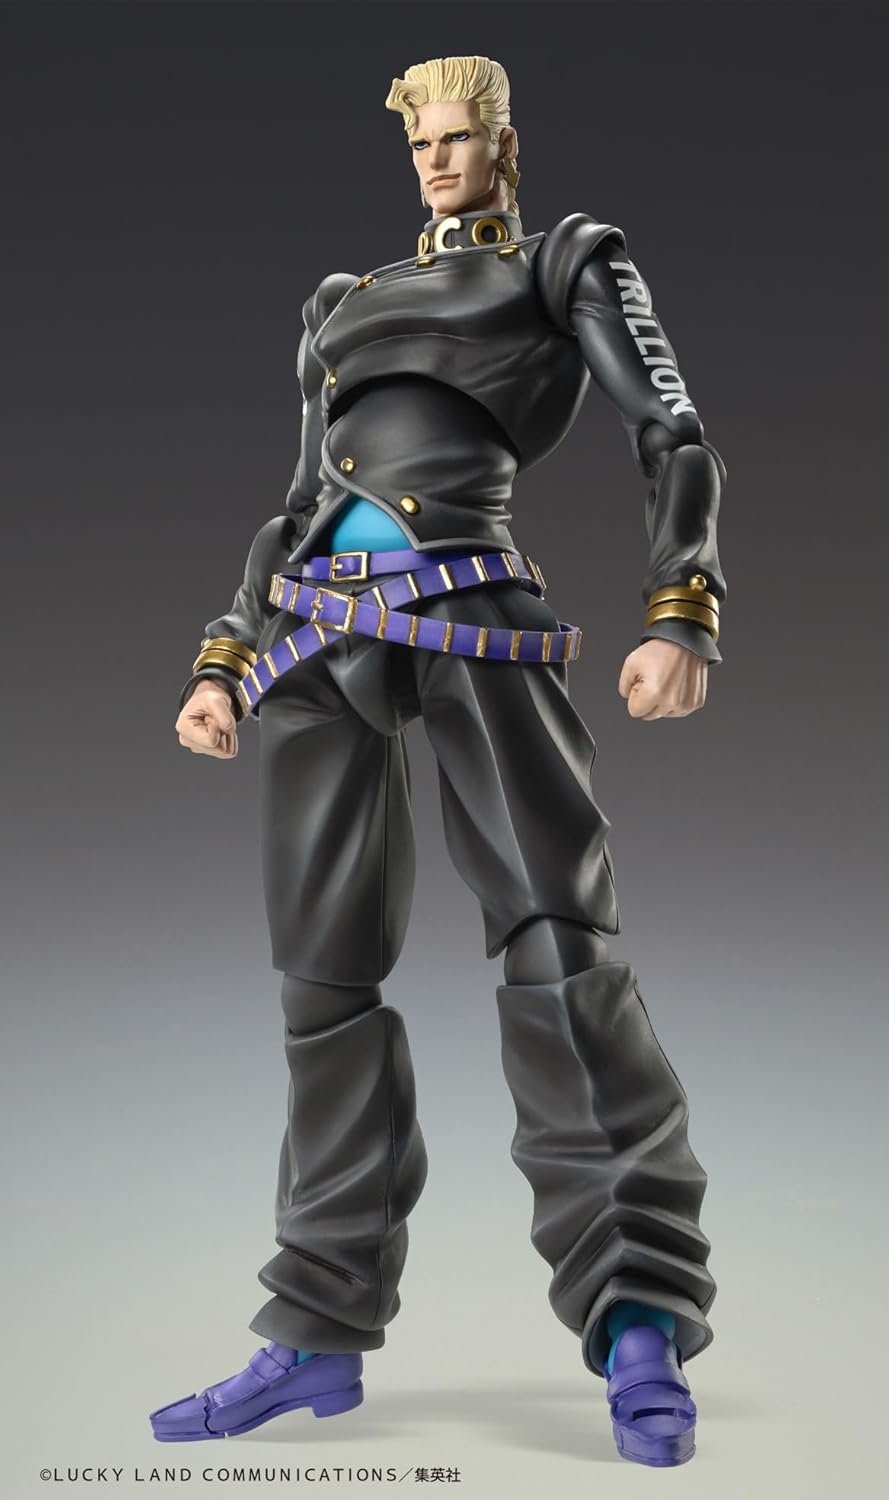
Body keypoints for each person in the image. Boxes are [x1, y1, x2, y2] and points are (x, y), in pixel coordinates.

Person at [150, 55, 726, 1469]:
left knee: (558, 945)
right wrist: (224, 656)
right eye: (421, 141)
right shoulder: (340, 303)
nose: (438, 158)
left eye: (461, 137)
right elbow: (298, 501)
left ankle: (637, 1313)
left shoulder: (561, 262)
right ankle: (315, 1328)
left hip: (474, 611)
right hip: (312, 642)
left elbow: (671, 431)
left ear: (502, 145)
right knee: (322, 985)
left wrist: (682, 611)